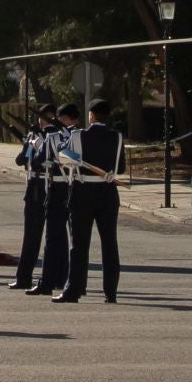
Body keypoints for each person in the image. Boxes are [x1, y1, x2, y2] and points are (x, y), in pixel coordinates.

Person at [55, 98, 123, 305]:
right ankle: (111, 291)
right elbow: (119, 168)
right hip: (107, 191)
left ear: (91, 115)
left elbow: (63, 159)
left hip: (84, 190)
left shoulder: (78, 135)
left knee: (79, 244)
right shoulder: (116, 136)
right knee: (109, 243)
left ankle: (73, 290)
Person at [31, 103, 81, 296]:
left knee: (53, 237)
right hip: (77, 188)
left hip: (58, 188)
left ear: (63, 119)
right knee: (74, 241)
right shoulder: (81, 136)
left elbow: (37, 161)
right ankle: (71, 281)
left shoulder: (54, 137)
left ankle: (47, 281)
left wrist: (38, 147)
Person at [9, 103, 58, 290]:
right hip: (34, 184)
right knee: (31, 234)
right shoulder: (34, 135)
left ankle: (50, 276)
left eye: (45, 117)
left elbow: (47, 161)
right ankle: (23, 276)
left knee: (46, 235)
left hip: (46, 183)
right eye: (40, 117)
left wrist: (38, 146)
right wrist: (28, 146)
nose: (42, 121)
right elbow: (21, 160)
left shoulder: (55, 135)